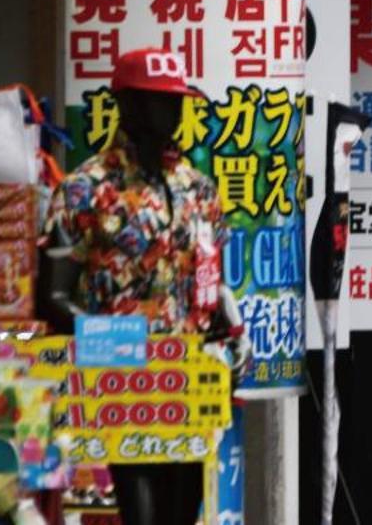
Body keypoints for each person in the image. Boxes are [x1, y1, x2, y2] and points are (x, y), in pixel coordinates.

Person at [45, 49, 248, 525]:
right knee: (142, 511)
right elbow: (53, 296)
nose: (173, 114)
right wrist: (109, 345)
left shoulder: (198, 189)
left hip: (189, 374)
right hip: (124, 381)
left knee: (183, 509)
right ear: (128, 105)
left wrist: (234, 330)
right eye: (160, 102)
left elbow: (211, 276)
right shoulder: (85, 188)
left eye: (178, 102)